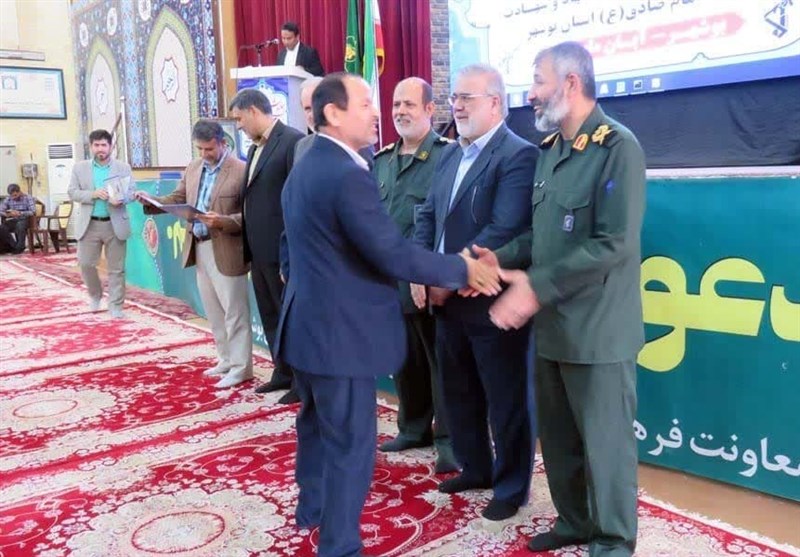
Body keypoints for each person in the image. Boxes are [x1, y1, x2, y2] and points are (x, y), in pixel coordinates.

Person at [274, 72, 499, 557]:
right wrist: (463, 269)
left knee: (315, 426)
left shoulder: (308, 164)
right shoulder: (346, 173)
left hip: (307, 328)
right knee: (351, 443)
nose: (377, 113)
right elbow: (391, 253)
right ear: (333, 113)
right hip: (339, 336)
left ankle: (312, 509)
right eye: (364, 104)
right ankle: (339, 545)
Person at [488, 42, 646, 556]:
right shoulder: (551, 150)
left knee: (606, 447)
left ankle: (614, 541)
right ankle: (575, 522)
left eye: (538, 80)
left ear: (571, 83)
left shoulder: (617, 147)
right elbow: (542, 237)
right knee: (558, 441)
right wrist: (496, 258)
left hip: (598, 331)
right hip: (553, 327)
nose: (530, 93)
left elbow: (614, 244)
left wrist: (535, 287)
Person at [412, 64, 539, 522]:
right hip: (445, 299)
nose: (458, 106)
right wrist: (422, 270)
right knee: (459, 390)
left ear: (496, 103)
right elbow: (428, 215)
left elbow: (503, 229)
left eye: (467, 97)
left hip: (491, 300)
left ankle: (511, 486)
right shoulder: (450, 155)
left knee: (505, 398)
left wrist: (447, 278)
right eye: (455, 98)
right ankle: (475, 468)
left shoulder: (519, 155)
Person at [372, 77, 458, 474]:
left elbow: (447, 221)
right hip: (388, 282)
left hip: (427, 281)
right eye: (396, 105)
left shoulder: (448, 156)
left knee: (441, 365)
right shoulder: (382, 160)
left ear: (429, 110)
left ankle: (450, 442)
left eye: (409, 104)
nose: (400, 111)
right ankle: (413, 427)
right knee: (404, 359)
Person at [135, 119, 252, 389]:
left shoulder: (241, 170)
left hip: (227, 247)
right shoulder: (194, 167)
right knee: (213, 310)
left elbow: (250, 215)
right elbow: (177, 198)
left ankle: (241, 367)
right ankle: (225, 359)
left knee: (234, 312)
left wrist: (222, 221)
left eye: (209, 149)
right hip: (199, 246)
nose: (204, 154)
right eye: (199, 149)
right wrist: (152, 201)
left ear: (222, 143)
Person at [228, 88, 304, 404]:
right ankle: (282, 372)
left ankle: (301, 381)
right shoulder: (254, 148)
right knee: (270, 315)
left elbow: (297, 200)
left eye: (240, 119)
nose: (239, 126)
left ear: (254, 111)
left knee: (291, 320)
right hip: (257, 250)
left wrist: (292, 254)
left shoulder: (292, 141)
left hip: (281, 251)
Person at [68, 129, 132, 318]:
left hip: (115, 224)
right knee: (86, 264)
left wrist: (121, 199)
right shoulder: (80, 168)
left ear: (111, 146)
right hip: (89, 225)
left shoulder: (123, 167)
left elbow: (132, 192)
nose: (100, 149)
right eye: (96, 145)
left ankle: (116, 306)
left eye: (104, 145)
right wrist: (93, 194)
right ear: (91, 147)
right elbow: (72, 192)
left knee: (116, 269)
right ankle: (95, 295)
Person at [0, 184, 35, 254]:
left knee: (20, 225)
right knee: (2, 227)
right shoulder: (8, 199)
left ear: (19, 192)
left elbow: (32, 212)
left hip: (26, 219)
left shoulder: (28, 198)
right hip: (14, 219)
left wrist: (20, 213)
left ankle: (20, 247)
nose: (13, 198)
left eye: (15, 195)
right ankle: (14, 246)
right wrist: (7, 214)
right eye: (12, 196)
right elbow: (1, 210)